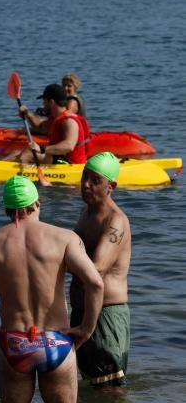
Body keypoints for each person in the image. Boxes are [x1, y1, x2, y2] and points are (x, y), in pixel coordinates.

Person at [0, 175, 103, 403]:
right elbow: (95, 282)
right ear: (37, 203)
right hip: (55, 342)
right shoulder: (64, 239)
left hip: (14, 342)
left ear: (7, 208)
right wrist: (86, 328)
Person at [70, 152, 131, 389]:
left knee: (110, 392)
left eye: (95, 180)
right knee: (91, 388)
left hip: (105, 316)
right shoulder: (86, 213)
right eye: (85, 176)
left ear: (111, 186)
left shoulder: (115, 221)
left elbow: (95, 270)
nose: (85, 185)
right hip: (82, 313)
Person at [17, 83, 90, 165]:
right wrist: (27, 114)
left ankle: (12, 174)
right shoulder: (56, 118)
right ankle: (0, 166)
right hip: (59, 158)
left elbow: (69, 146)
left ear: (51, 102)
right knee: (16, 153)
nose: (43, 105)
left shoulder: (69, 120)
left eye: (44, 101)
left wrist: (41, 149)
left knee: (28, 154)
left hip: (70, 164)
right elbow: (39, 127)